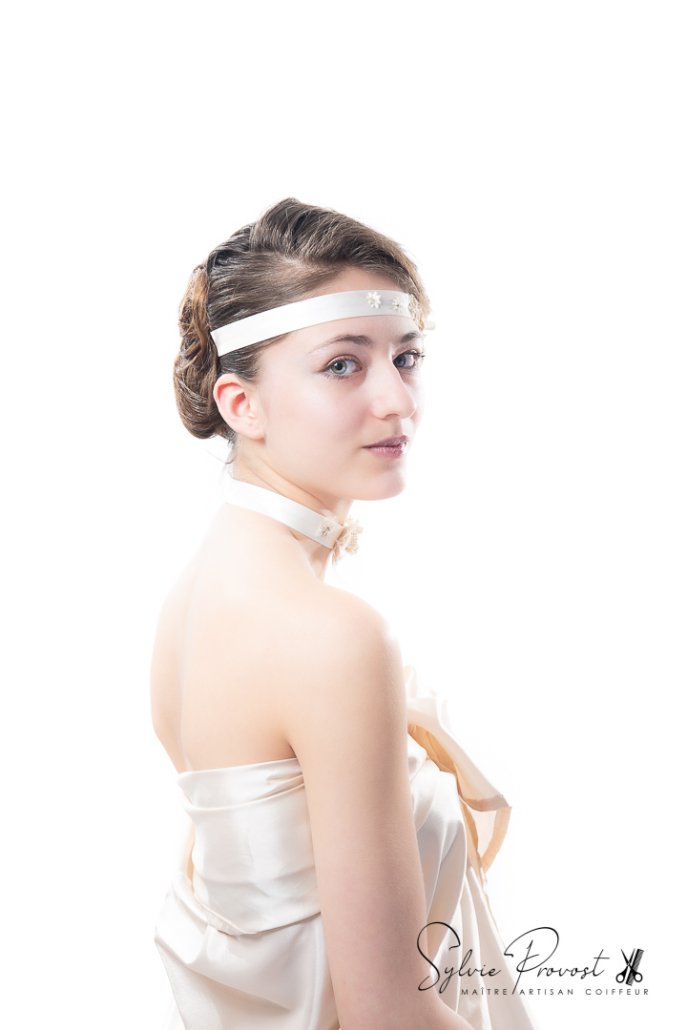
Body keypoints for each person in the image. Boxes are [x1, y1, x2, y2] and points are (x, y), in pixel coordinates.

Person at [151, 198, 538, 1030]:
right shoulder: (327, 634)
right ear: (241, 404)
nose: (396, 400)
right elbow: (389, 1015)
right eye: (341, 365)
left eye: (406, 357)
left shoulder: (195, 597)